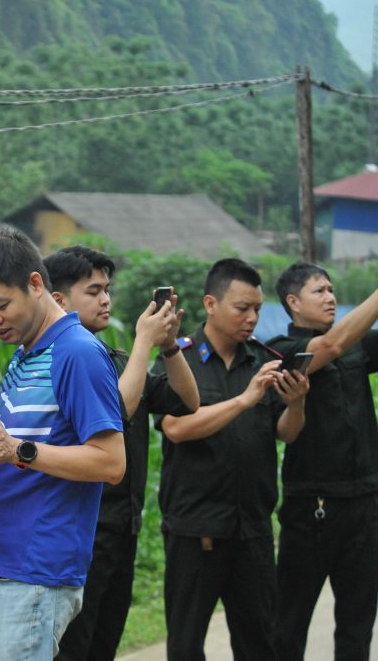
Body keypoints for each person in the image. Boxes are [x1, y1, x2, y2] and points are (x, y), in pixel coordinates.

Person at [0, 229, 126, 661]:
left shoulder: (77, 352)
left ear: (35, 283)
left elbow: (110, 462)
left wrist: (19, 450)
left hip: (34, 572)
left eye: (1, 305)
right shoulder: (26, 353)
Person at [45, 246, 199, 661]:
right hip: (81, 532)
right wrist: (145, 341)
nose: (106, 300)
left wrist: (169, 346)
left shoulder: (117, 360)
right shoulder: (60, 360)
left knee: (104, 645)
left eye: (107, 290)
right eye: (93, 291)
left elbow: (188, 401)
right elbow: (114, 413)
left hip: (123, 529)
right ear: (59, 300)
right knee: (73, 648)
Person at [156, 258, 309, 661]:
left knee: (259, 644)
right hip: (197, 529)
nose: (252, 318)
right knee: (186, 646)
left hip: (253, 529)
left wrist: (296, 403)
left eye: (257, 308)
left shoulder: (262, 359)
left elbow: (287, 433)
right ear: (211, 304)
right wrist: (243, 400)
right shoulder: (180, 357)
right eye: (242, 308)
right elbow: (175, 427)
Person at [267, 264, 378, 661]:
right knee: (289, 626)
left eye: (332, 290)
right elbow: (331, 346)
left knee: (357, 627)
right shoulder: (282, 350)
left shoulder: (359, 346)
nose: (331, 297)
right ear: (293, 302)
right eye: (320, 291)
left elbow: (346, 341)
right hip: (310, 509)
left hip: (365, 504)